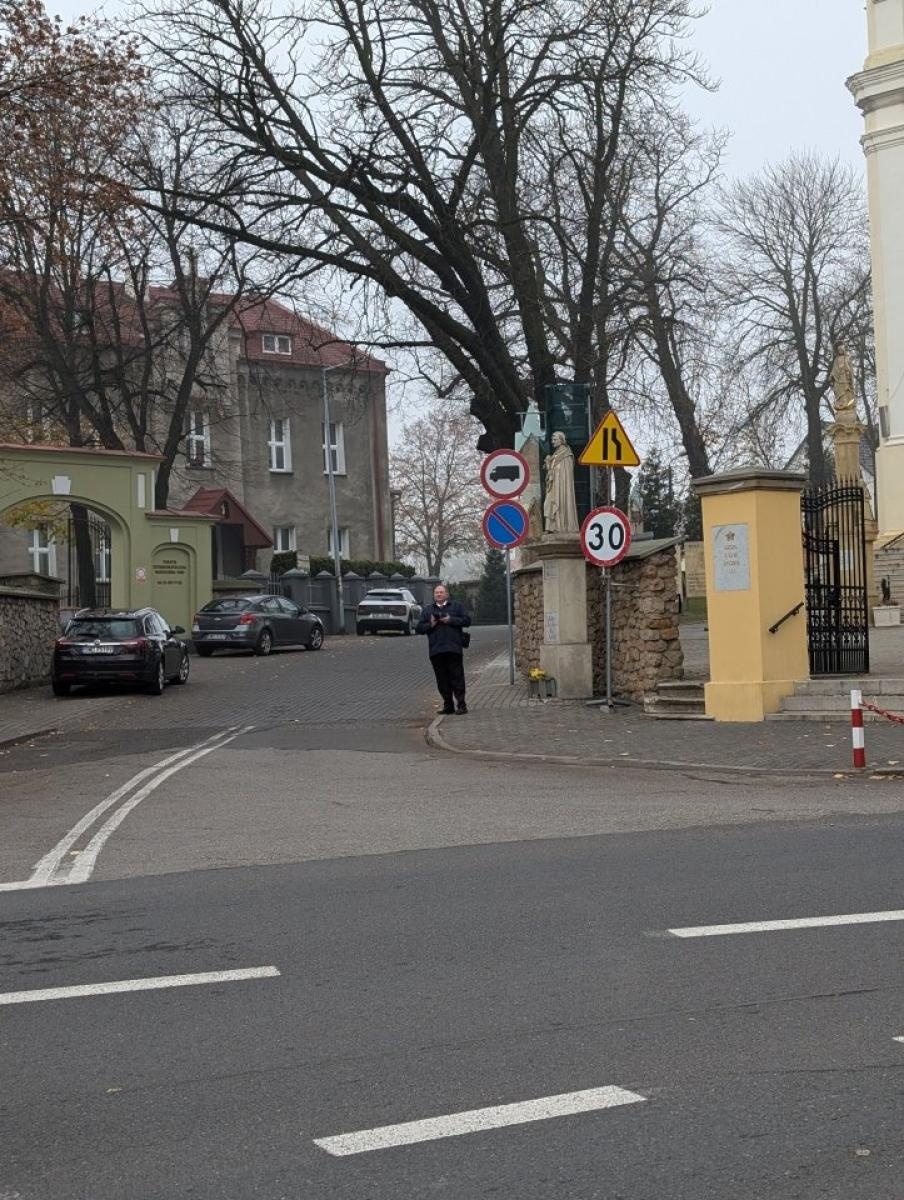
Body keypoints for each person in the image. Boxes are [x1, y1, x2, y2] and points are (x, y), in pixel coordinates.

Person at [416, 583, 472, 715]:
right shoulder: (428, 610)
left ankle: (462, 705)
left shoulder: (456, 606)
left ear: (447, 594)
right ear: (434, 595)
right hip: (436, 650)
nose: (439, 594)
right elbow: (419, 629)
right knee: (442, 680)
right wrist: (431, 624)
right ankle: (448, 705)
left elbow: (467, 621)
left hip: (453, 649)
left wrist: (450, 620)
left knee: (457, 677)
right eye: (436, 593)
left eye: (441, 592)